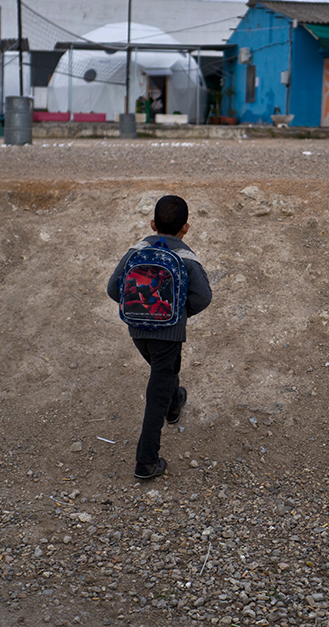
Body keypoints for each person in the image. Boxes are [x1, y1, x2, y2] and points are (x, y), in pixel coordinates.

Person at [106, 195, 212, 479]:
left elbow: (112, 289)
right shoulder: (186, 257)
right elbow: (203, 297)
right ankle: (146, 462)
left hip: (137, 332)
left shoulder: (136, 251)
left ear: (152, 223)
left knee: (163, 374)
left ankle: (175, 401)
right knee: (157, 393)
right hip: (169, 334)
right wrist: (177, 314)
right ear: (186, 228)